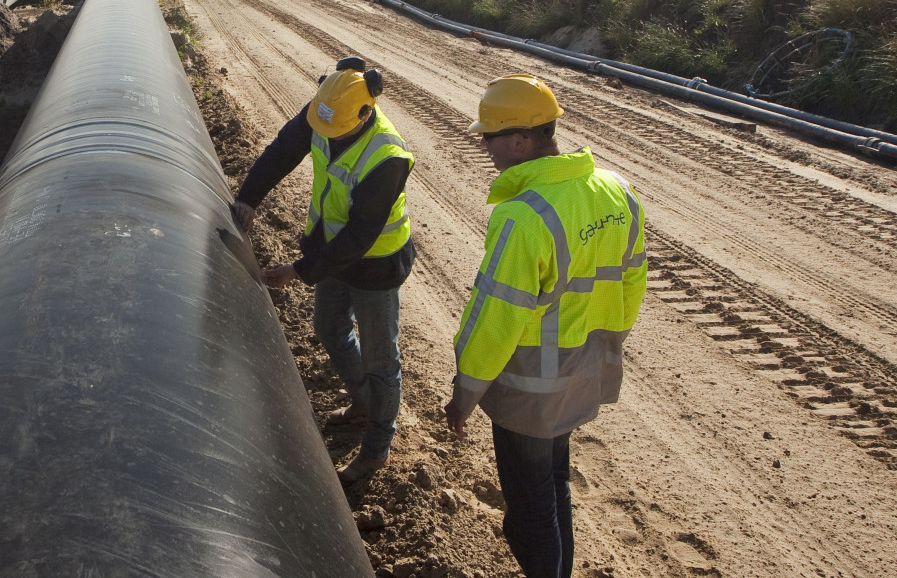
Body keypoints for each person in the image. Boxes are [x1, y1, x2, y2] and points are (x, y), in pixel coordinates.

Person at [442, 75, 647, 578]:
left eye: (487, 137)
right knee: (554, 485)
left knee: (530, 512)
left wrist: (465, 392)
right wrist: (606, 354)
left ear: (519, 139)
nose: (483, 146)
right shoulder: (615, 189)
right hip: (582, 374)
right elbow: (632, 283)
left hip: (530, 389)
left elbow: (496, 315)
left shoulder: (522, 216)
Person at [230, 56, 416, 484]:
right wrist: (248, 199)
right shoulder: (326, 112)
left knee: (381, 358)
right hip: (333, 250)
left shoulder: (387, 156)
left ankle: (376, 447)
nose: (323, 134)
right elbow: (281, 152)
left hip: (376, 265)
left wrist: (299, 269)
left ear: (366, 113)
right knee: (330, 328)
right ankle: (362, 400)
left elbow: (360, 238)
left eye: (335, 129)